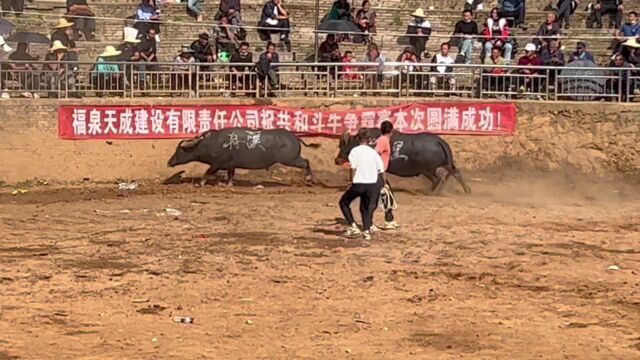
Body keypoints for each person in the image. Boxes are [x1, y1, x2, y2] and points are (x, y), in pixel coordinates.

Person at [339, 128, 385, 241]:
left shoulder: (354, 151)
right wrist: (384, 185)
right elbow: (381, 170)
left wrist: (350, 179)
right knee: (365, 208)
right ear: (369, 140)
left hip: (359, 183)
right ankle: (366, 231)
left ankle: (353, 226)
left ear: (358, 139)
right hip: (372, 184)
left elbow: (352, 167)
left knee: (344, 202)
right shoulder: (374, 153)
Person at [375, 120, 399, 230]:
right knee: (384, 197)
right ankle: (387, 221)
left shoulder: (383, 140)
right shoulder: (383, 140)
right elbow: (376, 153)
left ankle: (389, 220)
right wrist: (381, 171)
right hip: (379, 173)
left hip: (380, 173)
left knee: (387, 196)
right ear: (391, 131)